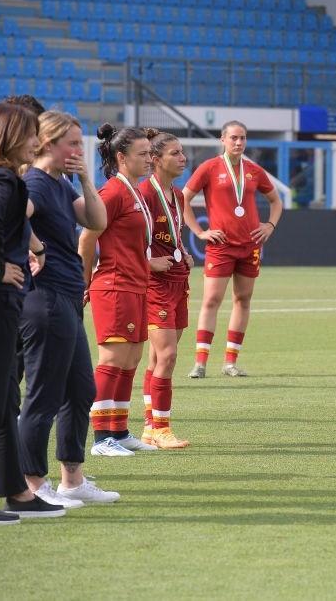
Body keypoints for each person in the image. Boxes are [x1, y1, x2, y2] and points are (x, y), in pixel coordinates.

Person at [18, 111, 119, 506]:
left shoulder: (59, 184)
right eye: (73, 143)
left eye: (82, 142)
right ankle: (31, 484)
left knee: (80, 389)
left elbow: (98, 220)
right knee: (43, 395)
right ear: (47, 143)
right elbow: (9, 217)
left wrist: (86, 177)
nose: (80, 150)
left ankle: (72, 480)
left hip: (67, 298)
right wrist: (35, 248)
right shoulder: (36, 184)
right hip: (45, 299)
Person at [0, 103, 67, 524]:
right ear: (13, 136)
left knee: (3, 401)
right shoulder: (1, 178)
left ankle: (17, 492)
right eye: (32, 134)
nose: (37, 142)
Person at [78, 124, 157, 456]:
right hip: (114, 285)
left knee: (132, 358)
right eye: (143, 154)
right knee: (113, 358)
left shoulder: (134, 190)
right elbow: (87, 238)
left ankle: (119, 430)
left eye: (151, 153)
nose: (150, 159)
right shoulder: (111, 192)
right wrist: (83, 283)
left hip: (136, 284)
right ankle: (101, 438)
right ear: (121, 157)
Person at [183, 121, 283, 378]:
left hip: (250, 245)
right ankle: (200, 362)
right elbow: (183, 198)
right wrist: (199, 231)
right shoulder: (209, 167)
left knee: (243, 300)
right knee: (211, 300)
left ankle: (230, 362)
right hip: (220, 246)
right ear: (223, 139)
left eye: (243, 138)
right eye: (234, 138)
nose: (239, 143)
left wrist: (270, 225)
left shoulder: (254, 170)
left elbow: (275, 201)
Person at [138, 130, 192, 449]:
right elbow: (127, 241)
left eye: (182, 152)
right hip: (154, 284)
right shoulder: (144, 192)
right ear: (156, 160)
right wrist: (149, 263)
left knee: (157, 357)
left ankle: (149, 427)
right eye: (175, 153)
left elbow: (174, 232)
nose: (182, 157)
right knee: (168, 356)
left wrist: (182, 251)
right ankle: (162, 427)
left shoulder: (179, 194)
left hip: (178, 281)